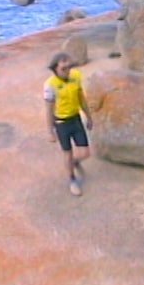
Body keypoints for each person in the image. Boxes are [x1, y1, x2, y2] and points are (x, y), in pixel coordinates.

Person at [44, 52, 93, 196]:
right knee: (67, 153)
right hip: (61, 123)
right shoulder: (50, 85)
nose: (67, 71)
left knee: (85, 152)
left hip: (75, 119)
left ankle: (74, 162)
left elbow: (81, 98)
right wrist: (50, 131)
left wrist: (89, 117)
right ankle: (72, 180)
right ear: (55, 69)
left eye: (69, 67)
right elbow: (48, 109)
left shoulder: (76, 77)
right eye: (63, 69)